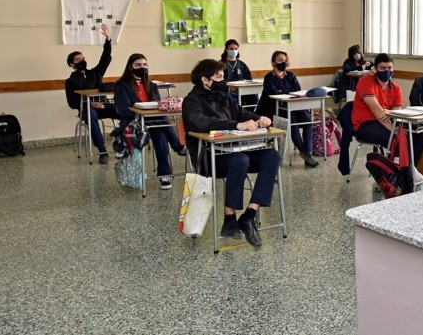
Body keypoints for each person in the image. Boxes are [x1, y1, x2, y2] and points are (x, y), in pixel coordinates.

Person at [182, 59, 280, 247]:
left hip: (235, 150)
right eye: (219, 77)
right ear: (205, 80)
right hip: (209, 158)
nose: (223, 80)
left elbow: (242, 113)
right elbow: (201, 123)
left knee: (272, 156)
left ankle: (249, 215)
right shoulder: (191, 101)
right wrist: (236, 125)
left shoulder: (224, 98)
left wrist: (260, 119)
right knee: (240, 160)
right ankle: (229, 219)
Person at [114, 53, 186, 189]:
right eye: (138, 65)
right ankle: (178, 147)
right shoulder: (122, 85)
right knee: (160, 126)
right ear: (130, 67)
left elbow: (158, 105)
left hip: (154, 122)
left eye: (144, 65)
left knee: (159, 134)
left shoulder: (151, 85)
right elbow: (123, 109)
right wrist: (142, 111)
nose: (142, 67)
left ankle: (164, 175)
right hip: (134, 123)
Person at [352, 53, 423, 164]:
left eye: (389, 68)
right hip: (366, 124)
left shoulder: (396, 88)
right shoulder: (365, 81)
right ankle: (396, 170)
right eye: (382, 68)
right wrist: (393, 130)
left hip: (387, 122)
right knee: (398, 141)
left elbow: (397, 114)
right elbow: (378, 113)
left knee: (420, 136)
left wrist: (392, 118)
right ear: (375, 69)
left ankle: (408, 169)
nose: (386, 71)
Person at [64, 23, 120, 164]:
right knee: (90, 116)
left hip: (104, 105)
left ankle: (123, 142)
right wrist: (90, 104)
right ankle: (102, 150)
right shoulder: (70, 81)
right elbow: (72, 103)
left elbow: (105, 58)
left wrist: (108, 39)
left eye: (83, 58)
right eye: (78, 60)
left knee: (124, 111)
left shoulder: (95, 73)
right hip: (88, 109)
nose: (82, 61)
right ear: (71, 64)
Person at [255, 51, 319, 168]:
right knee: (292, 121)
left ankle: (307, 153)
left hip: (292, 106)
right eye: (280, 60)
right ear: (274, 63)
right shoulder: (269, 77)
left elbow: (297, 90)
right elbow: (273, 92)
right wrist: (288, 91)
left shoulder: (290, 75)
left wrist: (283, 90)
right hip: (274, 108)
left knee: (307, 119)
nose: (283, 63)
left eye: (285, 60)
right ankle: (305, 153)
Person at [220, 39, 258, 108]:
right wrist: (229, 87)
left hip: (241, 90)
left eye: (236, 49)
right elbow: (218, 80)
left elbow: (248, 79)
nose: (234, 51)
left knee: (254, 98)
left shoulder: (242, 64)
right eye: (231, 49)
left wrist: (242, 86)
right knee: (231, 99)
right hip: (227, 91)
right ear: (226, 50)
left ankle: (248, 113)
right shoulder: (220, 64)